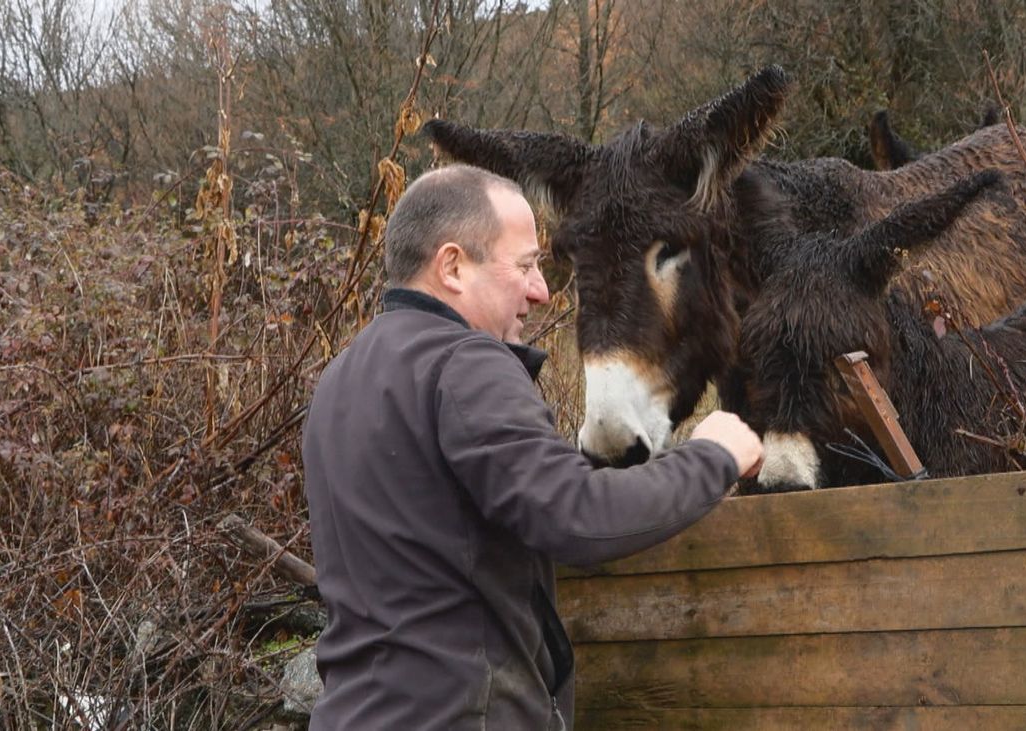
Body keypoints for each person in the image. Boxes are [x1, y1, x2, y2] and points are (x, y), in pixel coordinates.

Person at [302, 163, 763, 730]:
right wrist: (712, 456)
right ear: (452, 266)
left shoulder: (341, 378)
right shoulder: (464, 364)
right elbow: (577, 516)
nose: (541, 292)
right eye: (524, 266)